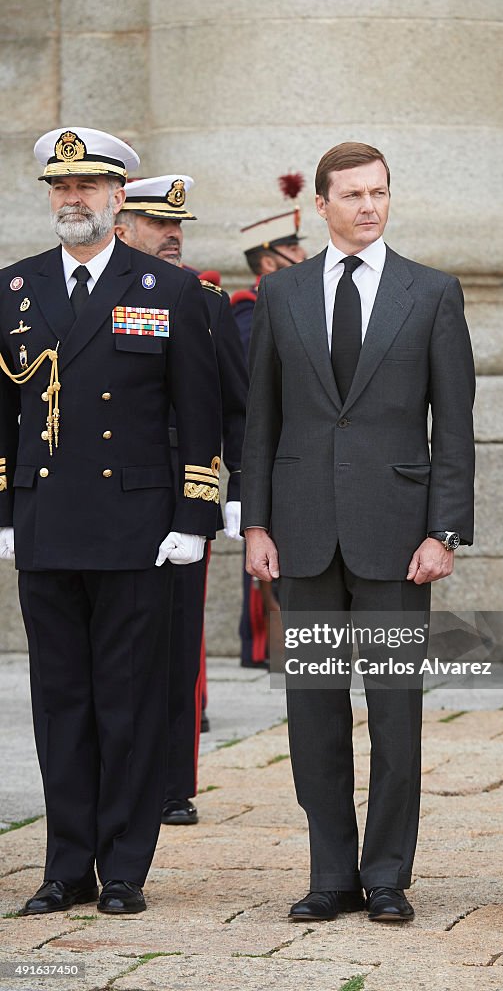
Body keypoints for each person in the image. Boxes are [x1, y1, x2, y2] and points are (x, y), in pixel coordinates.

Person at [241, 142, 475, 922]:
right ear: (322, 205)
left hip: (397, 540)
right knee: (312, 714)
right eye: (353, 195)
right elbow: (261, 418)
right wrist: (257, 522)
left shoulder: (433, 293)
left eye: (379, 193)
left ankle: (386, 879)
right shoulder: (283, 295)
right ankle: (330, 874)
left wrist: (444, 529)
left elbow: (456, 426)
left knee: (395, 714)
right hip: (302, 536)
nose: (369, 206)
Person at [0, 128, 221, 915]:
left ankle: (124, 867)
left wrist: (194, 513)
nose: (73, 200)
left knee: (125, 699)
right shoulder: (16, 289)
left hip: (137, 530)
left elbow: (198, 416)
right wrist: (5, 508)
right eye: (60, 189)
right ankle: (65, 867)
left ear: (118, 198)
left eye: (88, 187)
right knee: (61, 702)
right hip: (49, 524)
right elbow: (4, 413)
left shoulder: (168, 290)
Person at [115, 174, 248, 825]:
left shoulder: (205, 300)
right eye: (157, 224)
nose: (172, 235)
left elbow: (236, 407)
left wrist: (239, 492)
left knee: (174, 642)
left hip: (175, 488)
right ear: (121, 226)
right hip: (96, 491)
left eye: (178, 226)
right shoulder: (73, 293)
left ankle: (171, 782)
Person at [232, 178, 307, 668]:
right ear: (267, 260)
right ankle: (262, 645)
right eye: (292, 249)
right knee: (266, 553)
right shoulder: (247, 311)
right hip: (268, 448)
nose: (303, 255)